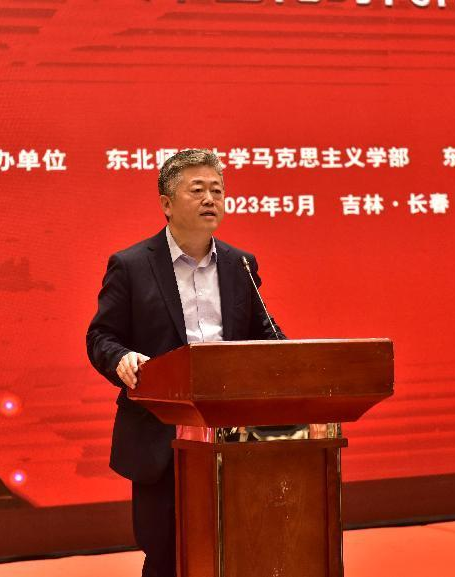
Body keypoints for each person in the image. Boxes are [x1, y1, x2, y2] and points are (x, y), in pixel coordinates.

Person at [86, 148, 285, 577]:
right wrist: (121, 358)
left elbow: (267, 334)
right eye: (197, 190)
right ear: (167, 203)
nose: (210, 199)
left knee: (238, 549)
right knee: (165, 557)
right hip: (162, 435)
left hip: (234, 436)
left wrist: (295, 363)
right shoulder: (132, 265)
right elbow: (100, 337)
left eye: (217, 190)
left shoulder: (240, 264)